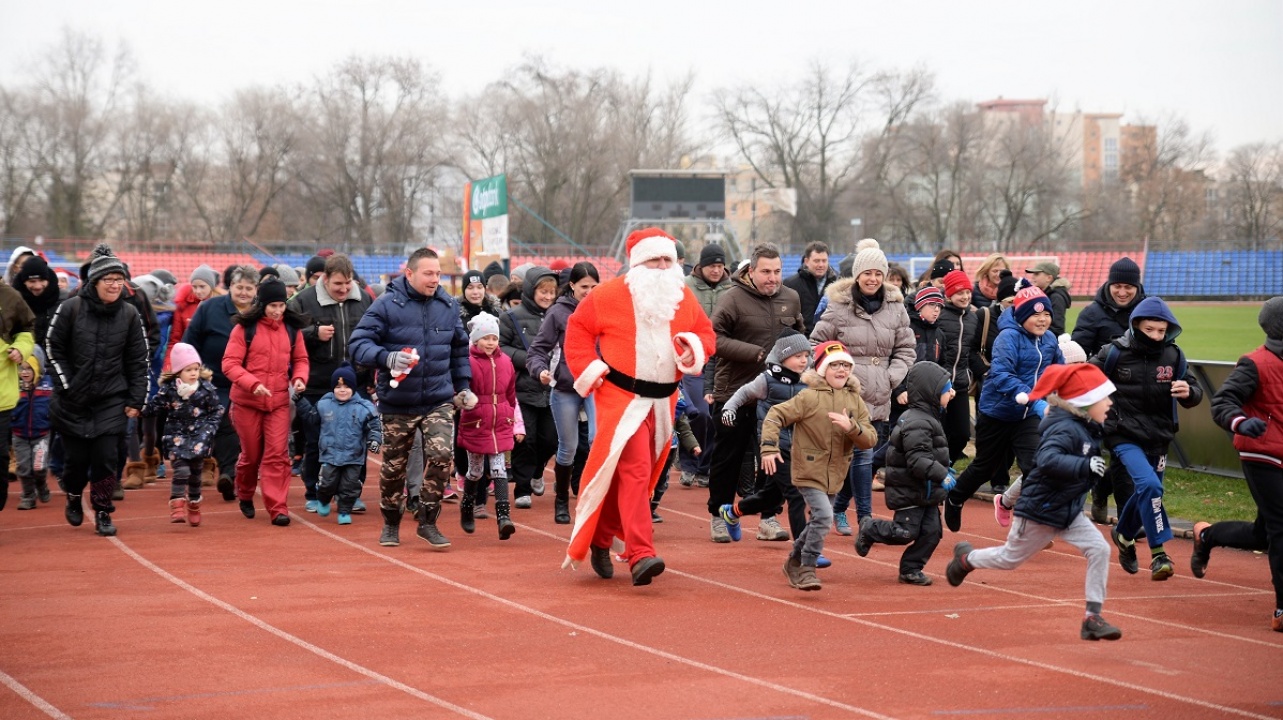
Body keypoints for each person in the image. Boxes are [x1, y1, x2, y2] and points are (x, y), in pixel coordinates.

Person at [561, 228, 715, 586]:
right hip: (621, 399)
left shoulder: (682, 296)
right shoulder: (608, 294)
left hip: (665, 401)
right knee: (636, 471)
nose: (662, 267)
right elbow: (578, 330)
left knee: (638, 476)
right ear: (637, 263)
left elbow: (706, 333)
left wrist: (694, 346)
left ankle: (602, 540)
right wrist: (589, 369)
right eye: (654, 260)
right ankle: (640, 554)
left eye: (668, 259)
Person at [946, 362, 1122, 642]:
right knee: (1009, 559)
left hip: (1068, 510)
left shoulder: (1087, 426)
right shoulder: (1064, 429)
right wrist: (1084, 467)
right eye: (1104, 397)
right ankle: (967, 559)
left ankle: (1092, 617)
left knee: (1099, 549)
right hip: (1041, 511)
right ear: (1084, 402)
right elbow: (1046, 460)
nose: (1110, 403)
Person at [349, 247, 473, 549]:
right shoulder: (387, 305)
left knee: (443, 456)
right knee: (394, 467)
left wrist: (464, 386)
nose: (435, 279)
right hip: (398, 401)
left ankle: (428, 520)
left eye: (438, 274)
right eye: (428, 273)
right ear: (410, 273)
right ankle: (391, 522)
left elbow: (459, 349)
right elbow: (357, 344)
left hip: (438, 399)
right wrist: (386, 357)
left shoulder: (448, 305)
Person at [1090, 297, 1203, 581]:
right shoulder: (1112, 352)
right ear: (1136, 325)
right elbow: (1084, 379)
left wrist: (1189, 392)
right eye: (1150, 329)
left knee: (1149, 492)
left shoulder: (1174, 356)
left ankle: (1124, 536)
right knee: (1150, 485)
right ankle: (1159, 554)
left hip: (1159, 436)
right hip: (1123, 434)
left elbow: (1195, 389)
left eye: (1161, 331)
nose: (1156, 336)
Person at [811, 238, 915, 536]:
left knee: (865, 457)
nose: (872, 279)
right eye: (867, 273)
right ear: (857, 275)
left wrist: (891, 377)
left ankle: (842, 509)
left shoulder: (896, 308)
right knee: (853, 457)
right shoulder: (839, 305)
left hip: (880, 392)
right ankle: (864, 517)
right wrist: (837, 376)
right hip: (845, 394)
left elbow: (906, 348)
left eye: (878, 274)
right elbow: (817, 344)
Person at [44, 244, 147, 536]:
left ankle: (103, 510)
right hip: (72, 401)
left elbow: (138, 359)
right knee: (76, 461)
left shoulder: (129, 314)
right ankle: (74, 498)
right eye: (109, 280)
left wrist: (136, 398)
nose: (115, 285)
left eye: (119, 279)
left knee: (105, 458)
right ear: (95, 282)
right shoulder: (71, 308)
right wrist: (66, 385)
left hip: (111, 400)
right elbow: (53, 349)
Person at [706, 242, 804, 543]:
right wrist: (755, 353)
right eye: (765, 272)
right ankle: (718, 516)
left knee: (773, 457)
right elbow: (712, 338)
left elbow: (800, 337)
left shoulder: (791, 298)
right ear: (751, 271)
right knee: (728, 458)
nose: (772, 278)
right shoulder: (732, 298)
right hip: (735, 392)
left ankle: (768, 517)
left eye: (776, 271)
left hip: (778, 397)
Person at [945, 285, 1063, 532]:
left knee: (1037, 467)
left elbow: (1060, 371)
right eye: (1035, 315)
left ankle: (1025, 521)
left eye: (1047, 315)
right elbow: (1000, 374)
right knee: (984, 468)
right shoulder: (1008, 337)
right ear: (1021, 315)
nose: (1042, 320)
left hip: (1028, 416)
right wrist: (1033, 398)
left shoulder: (1050, 339)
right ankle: (955, 498)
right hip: (997, 412)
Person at [762, 341, 876, 591]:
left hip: (835, 474)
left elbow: (870, 438)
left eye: (846, 365)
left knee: (818, 520)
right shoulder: (809, 396)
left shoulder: (855, 400)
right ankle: (807, 568)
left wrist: (852, 428)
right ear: (823, 368)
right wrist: (769, 448)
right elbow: (775, 415)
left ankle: (793, 560)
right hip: (808, 470)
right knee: (824, 516)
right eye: (835, 364)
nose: (841, 370)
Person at [1199, 297, 1283, 632]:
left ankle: (1207, 536)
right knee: (1282, 529)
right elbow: (1223, 401)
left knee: (1263, 534)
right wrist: (1239, 422)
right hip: (1262, 454)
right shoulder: (1254, 363)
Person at [855, 362, 955, 585]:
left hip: (927, 492)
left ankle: (911, 568)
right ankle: (870, 527)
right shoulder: (917, 421)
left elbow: (930, 452)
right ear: (931, 393)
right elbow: (917, 460)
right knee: (905, 532)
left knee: (932, 533)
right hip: (909, 489)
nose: (951, 393)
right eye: (946, 389)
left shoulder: (929, 418)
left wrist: (944, 466)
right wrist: (942, 475)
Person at [288, 254, 373, 513]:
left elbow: (373, 336)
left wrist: (369, 379)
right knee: (317, 441)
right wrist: (314, 333)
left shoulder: (364, 300)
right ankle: (313, 491)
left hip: (355, 384)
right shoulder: (303, 301)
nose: (344, 289)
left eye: (348, 283)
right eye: (338, 284)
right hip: (318, 383)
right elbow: (286, 333)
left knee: (356, 441)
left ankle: (350, 493)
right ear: (324, 279)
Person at [221, 278, 309, 526]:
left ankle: (277, 507)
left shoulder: (292, 329)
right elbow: (229, 363)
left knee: (276, 455)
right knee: (251, 455)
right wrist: (252, 383)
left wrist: (300, 378)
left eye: (281, 305)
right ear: (262, 304)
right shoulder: (244, 329)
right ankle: (245, 492)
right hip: (246, 402)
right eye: (273, 306)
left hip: (278, 402)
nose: (278, 311)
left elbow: (301, 358)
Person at [716, 328, 813, 544]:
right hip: (773, 447)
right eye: (798, 357)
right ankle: (804, 551)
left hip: (800, 446)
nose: (803, 361)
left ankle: (732, 512)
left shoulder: (809, 379)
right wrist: (729, 409)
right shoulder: (766, 380)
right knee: (796, 493)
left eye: (806, 356)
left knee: (771, 496)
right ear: (783, 356)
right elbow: (742, 394)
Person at [527, 262, 599, 525]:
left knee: (597, 438)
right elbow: (537, 350)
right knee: (567, 447)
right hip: (567, 386)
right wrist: (541, 371)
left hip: (596, 385)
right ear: (571, 286)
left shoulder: (604, 309)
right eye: (584, 287)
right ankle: (561, 501)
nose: (589, 292)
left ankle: (593, 498)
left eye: (594, 287)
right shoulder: (558, 312)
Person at [184, 265, 259, 498]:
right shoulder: (209, 308)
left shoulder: (260, 313)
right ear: (230, 287)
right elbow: (189, 344)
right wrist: (189, 375)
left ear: (256, 290)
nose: (244, 293)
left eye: (249, 288)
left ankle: (230, 473)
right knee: (216, 426)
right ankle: (219, 473)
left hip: (246, 382)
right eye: (239, 287)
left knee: (236, 430)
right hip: (211, 381)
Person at [457, 312, 523, 539]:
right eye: (485, 338)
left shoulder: (506, 361)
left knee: (499, 469)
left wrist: (514, 418)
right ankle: (467, 507)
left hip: (500, 421)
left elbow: (511, 392)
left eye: (494, 338)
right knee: (475, 471)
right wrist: (465, 402)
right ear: (475, 340)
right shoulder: (468, 361)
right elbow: (461, 389)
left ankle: (504, 517)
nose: (490, 343)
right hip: (476, 421)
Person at [142, 343, 224, 526]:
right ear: (179, 372)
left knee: (195, 474)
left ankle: (194, 504)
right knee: (182, 469)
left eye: (196, 369)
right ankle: (177, 503)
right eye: (188, 370)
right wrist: (139, 409)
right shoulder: (170, 390)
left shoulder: (206, 389)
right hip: (176, 435)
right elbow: (155, 405)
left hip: (199, 437)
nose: (193, 373)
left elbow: (216, 410)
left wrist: (210, 428)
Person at [294, 364, 382, 526]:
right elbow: (311, 417)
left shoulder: (363, 407)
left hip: (354, 456)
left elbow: (374, 426)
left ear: (354, 388)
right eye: (338, 386)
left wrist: (374, 440)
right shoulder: (325, 404)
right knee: (327, 483)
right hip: (330, 455)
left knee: (350, 487)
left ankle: (344, 511)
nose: (342, 390)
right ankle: (323, 500)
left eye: (347, 387)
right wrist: (300, 401)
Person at [501, 265, 558, 509]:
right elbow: (501, 347)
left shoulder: (559, 315)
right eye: (542, 291)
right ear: (530, 290)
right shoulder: (510, 317)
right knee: (526, 439)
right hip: (523, 388)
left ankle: (537, 472)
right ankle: (523, 489)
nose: (547, 297)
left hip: (553, 389)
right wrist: (529, 361)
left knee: (552, 440)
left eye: (551, 292)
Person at [681, 243, 732, 489]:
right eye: (712, 265)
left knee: (714, 416)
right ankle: (688, 463)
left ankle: (703, 467)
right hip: (693, 358)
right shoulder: (686, 287)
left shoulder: (731, 289)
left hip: (720, 360)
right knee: (697, 413)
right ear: (701, 265)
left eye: (720, 266)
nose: (716, 270)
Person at [1072, 257, 1145, 358]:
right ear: (1109, 285)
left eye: (1128, 287)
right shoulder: (1091, 313)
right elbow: (1077, 355)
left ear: (1137, 288)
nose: (1122, 293)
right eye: (1117, 286)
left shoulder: (1148, 312)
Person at [939, 270, 976, 463]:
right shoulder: (940, 315)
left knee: (962, 434)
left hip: (960, 384)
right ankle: (934, 472)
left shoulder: (973, 318)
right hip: (938, 385)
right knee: (939, 433)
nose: (965, 296)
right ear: (949, 294)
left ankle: (946, 464)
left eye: (967, 292)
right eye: (960, 293)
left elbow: (973, 351)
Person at [12, 353, 52, 510]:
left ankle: (41, 485)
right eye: (22, 369)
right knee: (23, 467)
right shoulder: (14, 385)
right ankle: (28, 496)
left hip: (41, 434)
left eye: (29, 369)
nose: (25, 372)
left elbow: (57, 404)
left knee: (39, 466)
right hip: (19, 434)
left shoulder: (48, 384)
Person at [783, 241, 836, 336]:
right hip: (801, 342)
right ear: (806, 261)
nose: (821, 265)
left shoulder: (837, 285)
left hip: (828, 342)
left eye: (824, 261)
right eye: (816, 261)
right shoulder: (790, 284)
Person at [1025, 261, 1072, 337]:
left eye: (1037, 274)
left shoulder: (1056, 298)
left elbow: (1057, 328)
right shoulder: (1046, 295)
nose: (1033, 277)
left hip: (1049, 343)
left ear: (1049, 278)